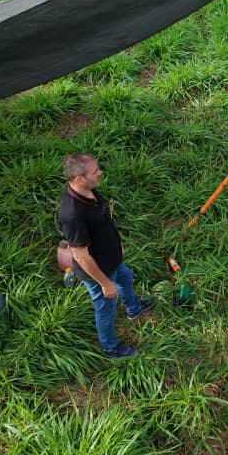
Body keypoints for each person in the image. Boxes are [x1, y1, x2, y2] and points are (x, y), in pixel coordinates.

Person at [56, 153, 152, 359]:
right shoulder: (72, 214)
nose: (100, 173)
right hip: (96, 272)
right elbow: (80, 256)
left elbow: (102, 224)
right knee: (105, 308)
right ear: (79, 178)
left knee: (126, 278)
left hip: (112, 259)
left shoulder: (89, 192)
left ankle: (134, 308)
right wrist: (105, 283)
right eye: (95, 171)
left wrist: (117, 247)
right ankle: (110, 347)